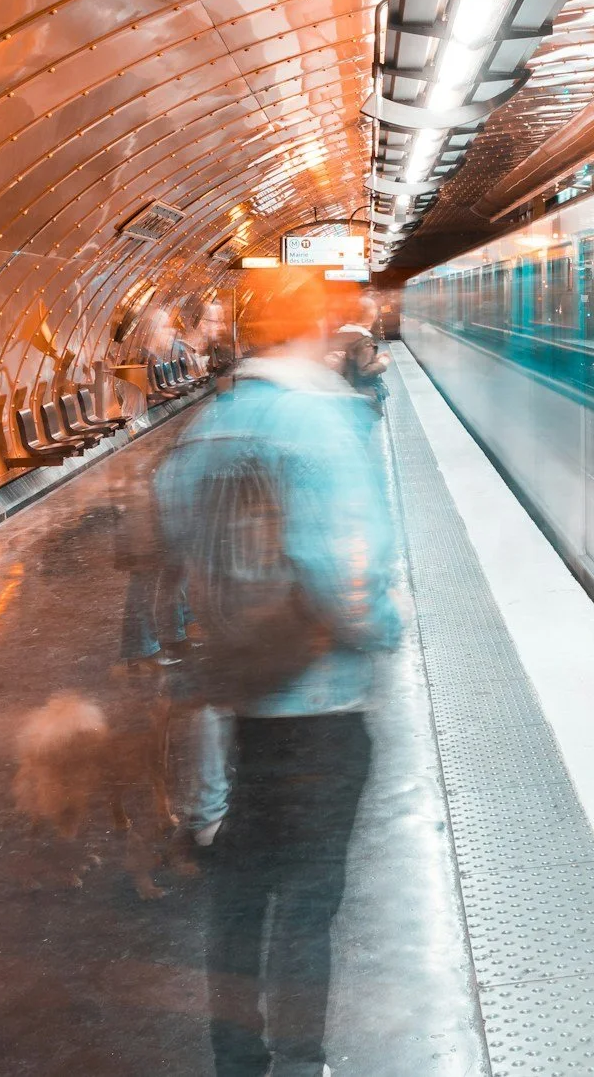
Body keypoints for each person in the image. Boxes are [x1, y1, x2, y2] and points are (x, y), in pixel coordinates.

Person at [155, 267, 400, 1077]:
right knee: (306, 897)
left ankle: (236, 1057)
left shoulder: (210, 425)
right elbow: (346, 569)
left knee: (237, 889)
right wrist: (378, 630)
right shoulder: (323, 421)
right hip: (317, 704)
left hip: (236, 697)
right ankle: (299, 1061)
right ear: (312, 327)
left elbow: (172, 537)